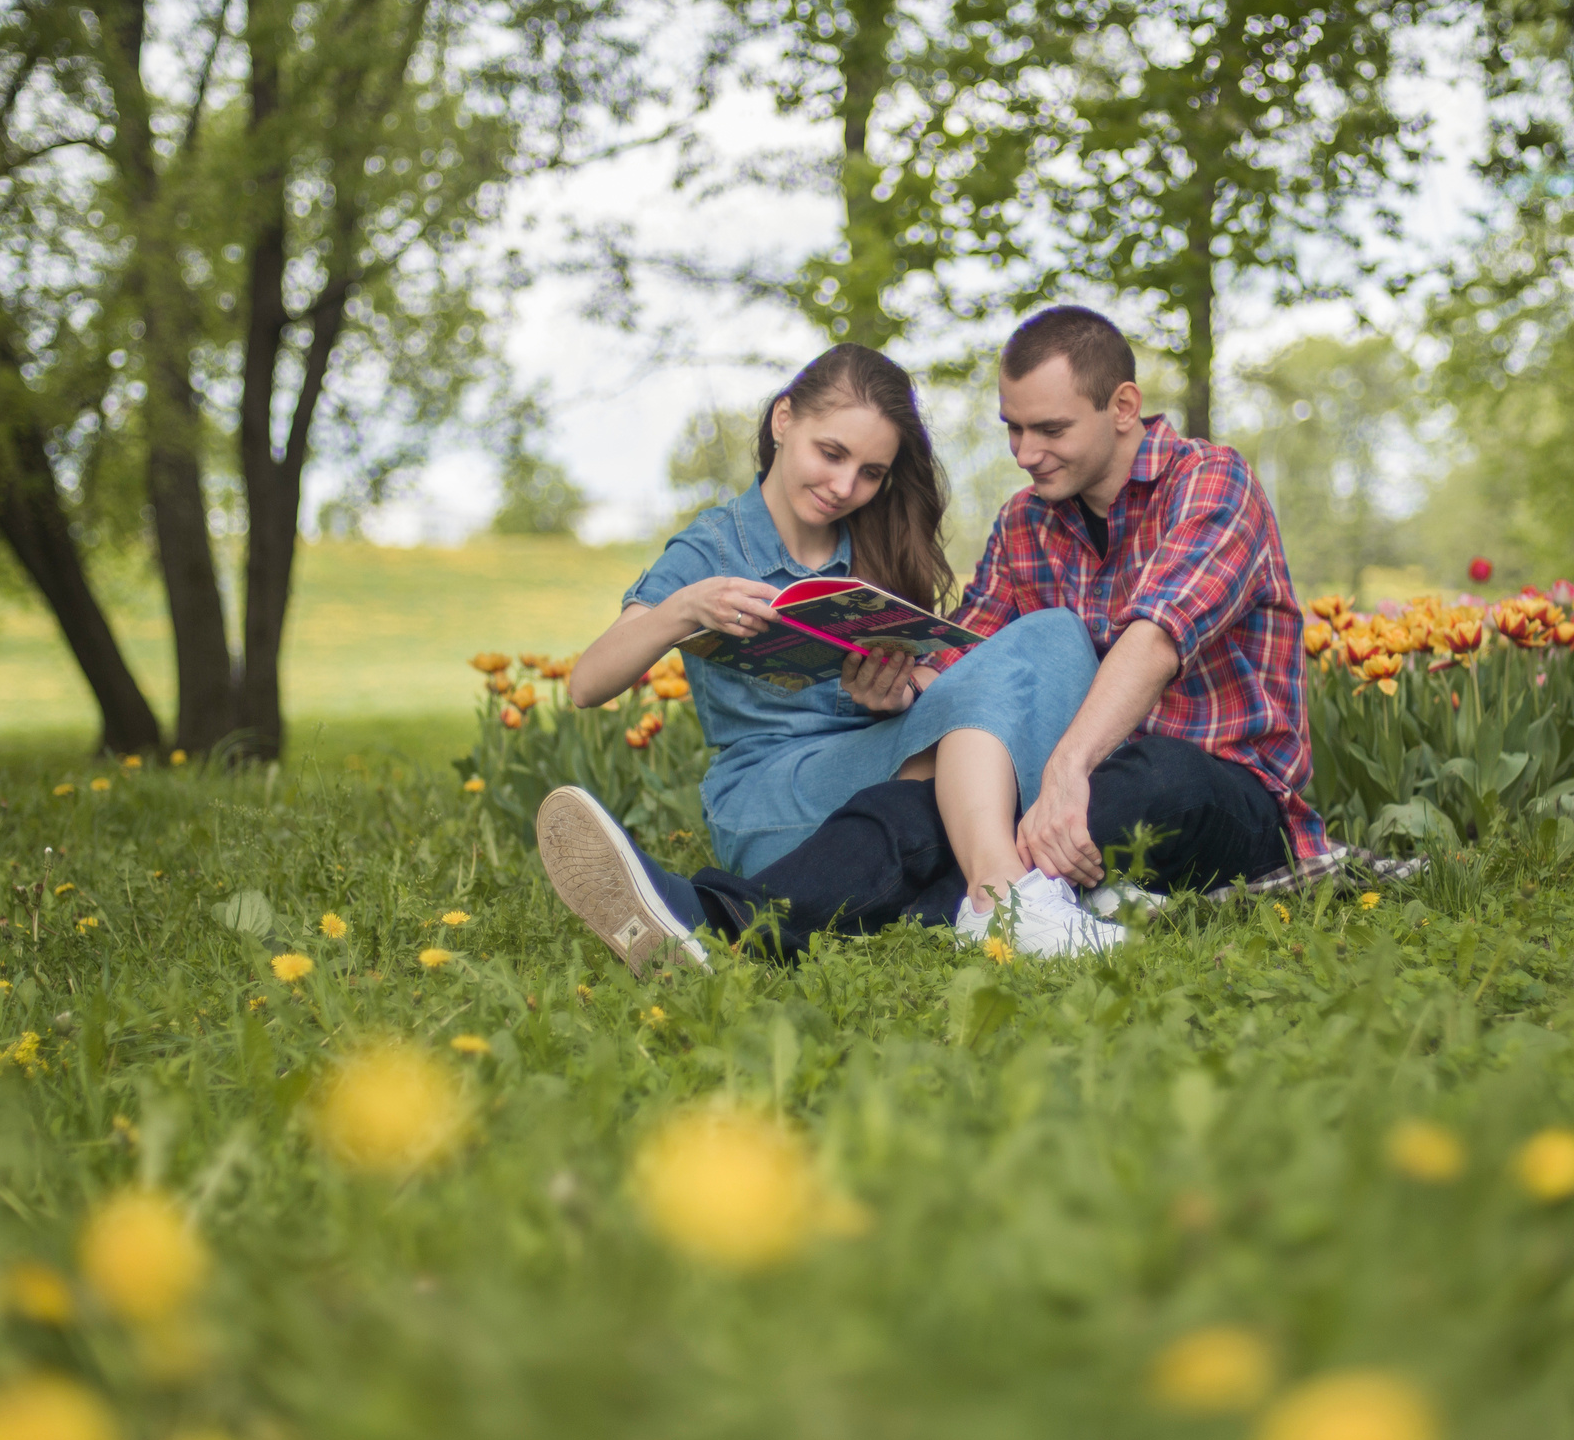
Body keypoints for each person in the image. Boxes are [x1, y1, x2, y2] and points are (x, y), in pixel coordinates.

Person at [544, 307, 1382, 965]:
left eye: (1048, 430)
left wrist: (1063, 768)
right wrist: (908, 685)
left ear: (1123, 408)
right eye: (1012, 429)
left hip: (1203, 785)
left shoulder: (1209, 481)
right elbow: (968, 665)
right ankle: (1005, 899)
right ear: (782, 422)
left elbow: (1157, 637)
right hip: (1018, 798)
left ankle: (729, 918)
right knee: (974, 755)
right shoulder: (1027, 522)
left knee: (1109, 763)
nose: (1023, 453)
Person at [541, 343, 1123, 978]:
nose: (846, 488)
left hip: (880, 774)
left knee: (1056, 636)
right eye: (832, 454)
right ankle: (1005, 898)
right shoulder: (711, 547)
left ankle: (983, 894)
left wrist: (899, 694)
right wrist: (682, 610)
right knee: (958, 796)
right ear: (783, 420)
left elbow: (933, 695)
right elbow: (586, 684)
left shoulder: (876, 541)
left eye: (871, 472)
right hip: (772, 795)